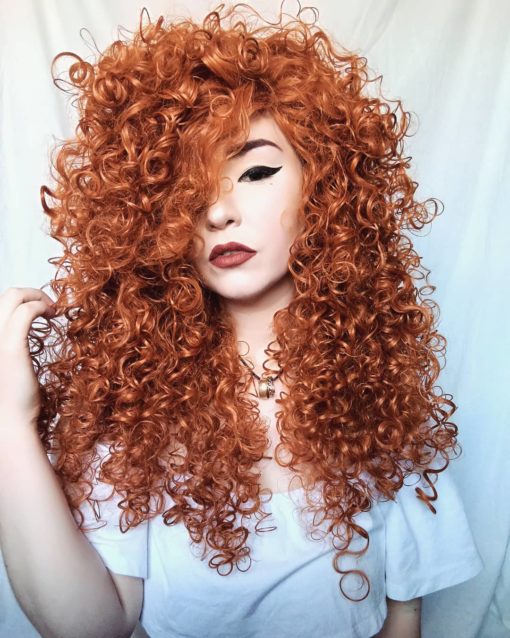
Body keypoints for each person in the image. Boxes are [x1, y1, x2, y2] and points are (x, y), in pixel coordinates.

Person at [0, 3, 483, 637]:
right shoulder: (136, 407)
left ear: (324, 187)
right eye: (186, 190)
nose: (218, 212)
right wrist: (11, 421)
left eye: (256, 171)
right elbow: (90, 628)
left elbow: (403, 619)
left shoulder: (381, 397)